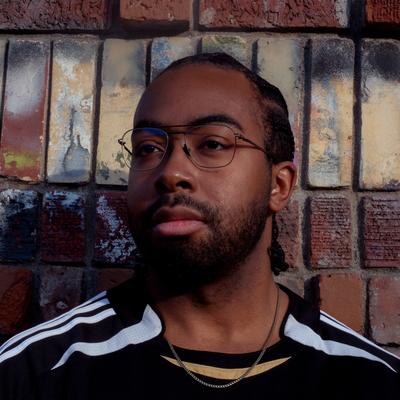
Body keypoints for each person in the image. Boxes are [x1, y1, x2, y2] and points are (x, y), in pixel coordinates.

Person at [0, 53, 399, 399]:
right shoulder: (32, 374)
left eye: (212, 144)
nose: (171, 172)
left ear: (278, 185)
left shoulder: (370, 380)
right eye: (148, 148)